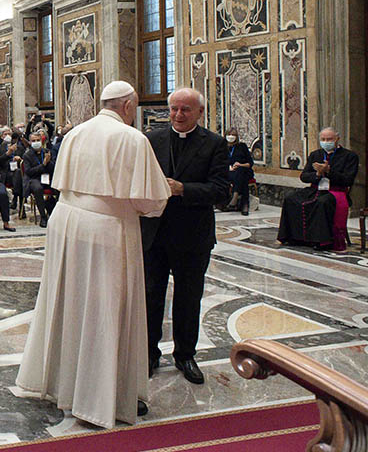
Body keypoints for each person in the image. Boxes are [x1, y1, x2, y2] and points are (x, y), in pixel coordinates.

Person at [17, 81, 171, 428]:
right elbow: (150, 202)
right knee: (105, 309)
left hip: (66, 222)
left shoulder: (75, 133)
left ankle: (62, 385)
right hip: (106, 228)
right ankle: (100, 398)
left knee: (68, 303)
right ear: (129, 106)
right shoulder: (132, 139)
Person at [141, 88, 230, 386]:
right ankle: (149, 353)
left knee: (189, 298)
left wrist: (183, 189)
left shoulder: (214, 144)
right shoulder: (152, 140)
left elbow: (221, 192)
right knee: (151, 296)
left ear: (200, 112)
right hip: (155, 235)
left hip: (193, 236)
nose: (178, 115)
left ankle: (185, 355)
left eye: (185, 110)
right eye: (174, 109)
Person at [278, 127, 359, 252]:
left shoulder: (350, 156)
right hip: (315, 188)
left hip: (336, 190)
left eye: (329, 139)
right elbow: (304, 176)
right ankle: (294, 238)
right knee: (290, 199)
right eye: (323, 139)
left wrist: (328, 171)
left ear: (337, 139)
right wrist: (317, 174)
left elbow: (348, 179)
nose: (326, 142)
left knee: (322, 203)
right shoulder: (315, 154)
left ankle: (321, 241)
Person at [22, 133, 56, 225]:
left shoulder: (47, 152)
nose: (36, 142)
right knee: (38, 188)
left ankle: (55, 213)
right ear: (30, 142)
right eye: (33, 141)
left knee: (58, 186)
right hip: (34, 179)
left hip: (47, 177)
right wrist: (43, 165)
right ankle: (43, 217)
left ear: (41, 141)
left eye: (38, 140)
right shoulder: (27, 155)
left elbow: (53, 168)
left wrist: (48, 163)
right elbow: (29, 172)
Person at [224, 128, 253, 215]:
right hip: (228, 171)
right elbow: (218, 162)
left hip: (243, 170)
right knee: (241, 178)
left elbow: (250, 163)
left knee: (241, 173)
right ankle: (244, 204)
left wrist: (240, 165)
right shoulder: (222, 147)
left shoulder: (242, 146)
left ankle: (235, 197)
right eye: (229, 134)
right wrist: (227, 167)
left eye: (233, 135)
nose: (231, 137)